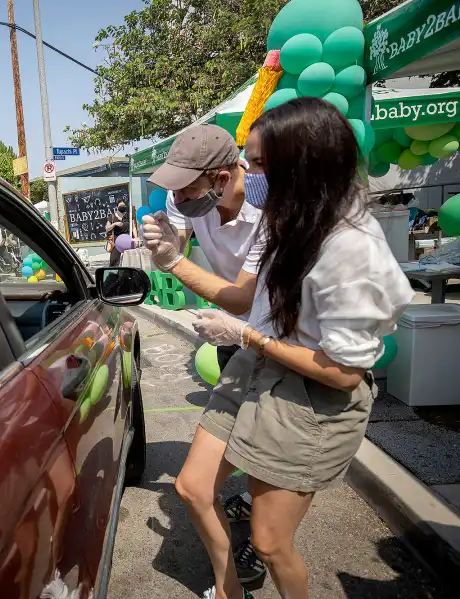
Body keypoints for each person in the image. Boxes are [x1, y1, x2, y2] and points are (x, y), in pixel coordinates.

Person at [143, 97, 414, 599]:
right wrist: (169, 252)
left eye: (261, 164)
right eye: (251, 161)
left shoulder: (351, 247)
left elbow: (342, 374)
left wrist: (245, 334)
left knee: (269, 542)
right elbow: (249, 297)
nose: (252, 174)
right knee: (192, 487)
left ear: (303, 166)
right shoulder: (293, 218)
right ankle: (230, 592)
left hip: (307, 394)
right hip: (257, 363)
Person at [147, 124, 268, 583]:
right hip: (231, 337)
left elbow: (240, 298)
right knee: (238, 437)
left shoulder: (269, 210)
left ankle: (260, 537)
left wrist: (174, 263)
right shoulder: (188, 201)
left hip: (277, 336)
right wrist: (165, 242)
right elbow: (177, 240)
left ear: (221, 177)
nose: (176, 199)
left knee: (264, 440)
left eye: (186, 186)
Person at [105, 199, 130, 267]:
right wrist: (114, 224)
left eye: (124, 205)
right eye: (120, 205)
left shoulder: (129, 216)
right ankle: (113, 274)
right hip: (116, 242)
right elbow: (107, 228)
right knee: (114, 261)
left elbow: (133, 227)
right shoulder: (112, 216)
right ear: (117, 207)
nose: (122, 207)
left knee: (129, 260)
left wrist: (135, 237)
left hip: (128, 240)